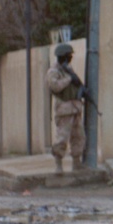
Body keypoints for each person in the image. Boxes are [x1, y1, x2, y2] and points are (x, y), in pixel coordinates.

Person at [45, 43, 86, 174]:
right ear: (62, 57)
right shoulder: (54, 72)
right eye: (69, 56)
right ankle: (58, 165)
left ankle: (76, 163)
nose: (70, 58)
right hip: (64, 110)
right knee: (62, 138)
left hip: (75, 108)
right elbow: (55, 86)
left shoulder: (69, 69)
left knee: (78, 137)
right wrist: (69, 79)